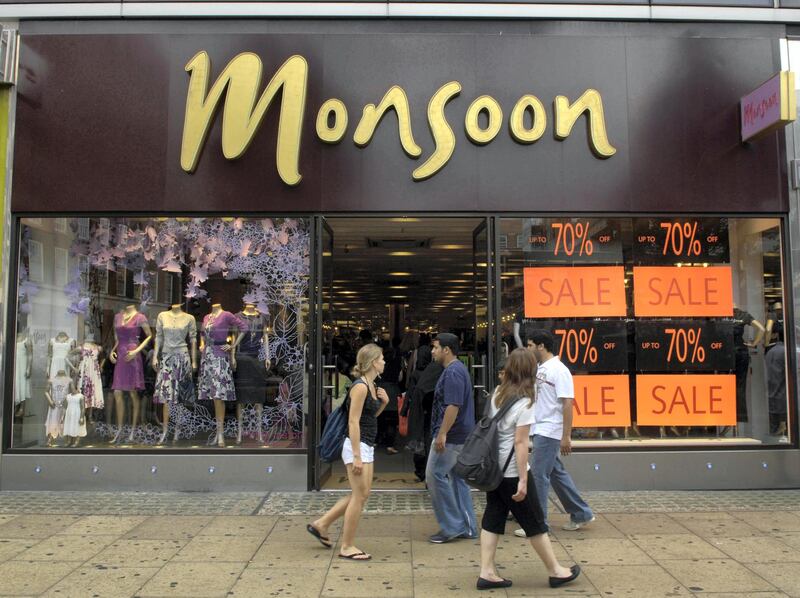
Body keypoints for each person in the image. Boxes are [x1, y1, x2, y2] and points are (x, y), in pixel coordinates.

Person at [478, 350, 580, 590]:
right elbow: (521, 443)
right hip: (512, 471)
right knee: (534, 521)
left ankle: (487, 572)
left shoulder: (496, 395)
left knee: (493, 517)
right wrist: (524, 479)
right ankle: (556, 571)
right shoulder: (525, 401)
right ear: (528, 371)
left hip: (495, 469)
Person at [307, 343, 389, 560]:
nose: (384, 362)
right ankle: (347, 546)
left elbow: (368, 419)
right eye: (381, 358)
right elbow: (353, 422)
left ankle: (321, 524)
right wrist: (356, 455)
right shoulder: (360, 387)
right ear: (373, 362)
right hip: (357, 445)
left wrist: (384, 403)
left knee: (360, 494)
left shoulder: (371, 385)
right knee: (359, 496)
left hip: (366, 444)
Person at [515, 329, 594, 535]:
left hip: (549, 430)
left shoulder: (559, 370)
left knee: (539, 475)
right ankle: (581, 513)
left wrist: (566, 435)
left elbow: (567, 403)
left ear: (541, 346)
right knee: (556, 474)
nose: (528, 349)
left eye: (530, 345)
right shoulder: (543, 368)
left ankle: (538, 523)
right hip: (543, 428)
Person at [426, 332, 477, 543]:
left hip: (452, 436)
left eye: (435, 347)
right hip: (459, 435)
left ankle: (452, 526)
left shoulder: (453, 372)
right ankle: (467, 526)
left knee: (434, 475)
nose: (432, 351)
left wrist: (442, 433)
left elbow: (453, 405)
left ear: (446, 349)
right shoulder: (456, 370)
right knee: (457, 479)